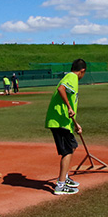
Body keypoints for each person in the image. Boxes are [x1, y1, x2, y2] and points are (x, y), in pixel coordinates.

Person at [45, 59, 86, 195]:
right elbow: (61, 89)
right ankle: (60, 185)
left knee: (72, 146)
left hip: (64, 122)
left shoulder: (70, 77)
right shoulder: (72, 77)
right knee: (68, 150)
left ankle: (65, 177)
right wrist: (69, 107)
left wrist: (75, 123)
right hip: (59, 122)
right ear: (82, 71)